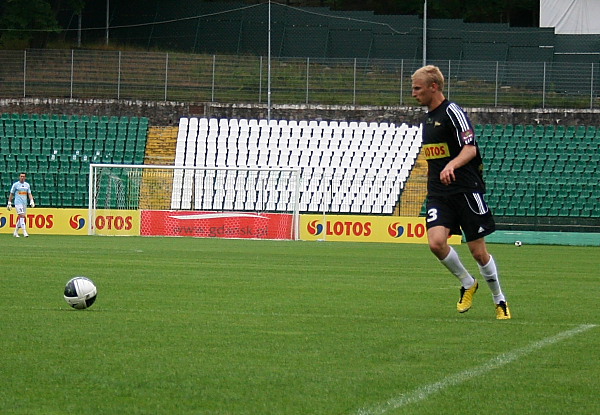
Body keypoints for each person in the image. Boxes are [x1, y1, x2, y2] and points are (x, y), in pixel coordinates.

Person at [411, 65, 511, 320]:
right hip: (438, 193)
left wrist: (451, 165)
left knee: (478, 251)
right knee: (436, 243)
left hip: (465, 190)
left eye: (417, 88)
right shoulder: (426, 119)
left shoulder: (453, 112)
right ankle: (468, 283)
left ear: (434, 86)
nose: (413, 94)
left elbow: (470, 149)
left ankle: (499, 300)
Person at [7, 172, 35, 238]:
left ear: (25, 177)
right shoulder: (15, 185)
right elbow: (11, 194)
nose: (22, 178)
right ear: (19, 177)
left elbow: (29, 194)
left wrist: (31, 200)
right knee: (22, 216)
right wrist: (9, 202)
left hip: (24, 203)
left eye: (23, 176)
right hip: (18, 203)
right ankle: (24, 231)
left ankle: (15, 232)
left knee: (21, 217)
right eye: (21, 176)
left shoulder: (27, 185)